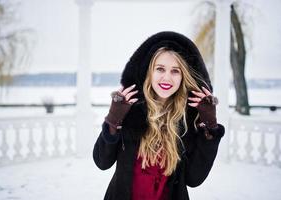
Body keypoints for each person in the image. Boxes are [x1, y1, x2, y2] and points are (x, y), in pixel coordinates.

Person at [93, 31, 225, 200]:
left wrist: (210, 126)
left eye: (175, 71)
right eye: (160, 69)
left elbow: (194, 178)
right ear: (149, 72)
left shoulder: (189, 120)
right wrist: (113, 119)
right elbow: (102, 161)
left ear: (183, 76)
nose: (167, 77)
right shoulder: (129, 112)